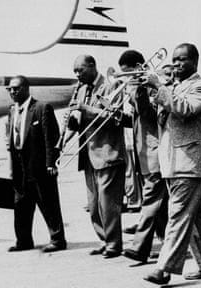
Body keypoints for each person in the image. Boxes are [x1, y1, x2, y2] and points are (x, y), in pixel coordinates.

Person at [142, 43, 201, 285]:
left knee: (177, 215)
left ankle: (163, 269)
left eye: (182, 60)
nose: (176, 64)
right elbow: (158, 118)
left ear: (195, 62)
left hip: (189, 161)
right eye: (175, 60)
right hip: (173, 161)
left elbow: (184, 109)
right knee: (196, 216)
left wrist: (160, 86)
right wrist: (145, 91)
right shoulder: (173, 87)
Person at [67, 55, 126, 258]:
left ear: (92, 66)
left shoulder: (110, 85)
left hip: (108, 152)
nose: (77, 74)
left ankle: (114, 244)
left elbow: (114, 118)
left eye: (80, 70)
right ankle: (104, 239)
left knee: (108, 204)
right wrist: (72, 121)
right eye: (74, 71)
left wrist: (83, 108)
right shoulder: (81, 89)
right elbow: (81, 122)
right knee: (93, 206)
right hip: (88, 155)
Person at [115, 50, 169, 264]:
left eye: (128, 73)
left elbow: (149, 113)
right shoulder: (138, 86)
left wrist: (136, 90)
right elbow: (138, 120)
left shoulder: (153, 84)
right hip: (144, 155)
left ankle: (139, 248)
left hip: (155, 153)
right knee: (161, 206)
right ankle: (168, 244)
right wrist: (119, 115)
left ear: (139, 65)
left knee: (151, 201)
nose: (126, 78)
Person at [6, 75, 66, 253]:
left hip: (39, 168)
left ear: (26, 88)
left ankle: (57, 239)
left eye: (15, 88)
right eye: (9, 89)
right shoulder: (12, 111)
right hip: (20, 170)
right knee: (21, 206)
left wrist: (51, 163)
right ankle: (23, 241)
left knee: (48, 203)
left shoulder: (41, 108)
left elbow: (51, 139)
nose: (12, 92)